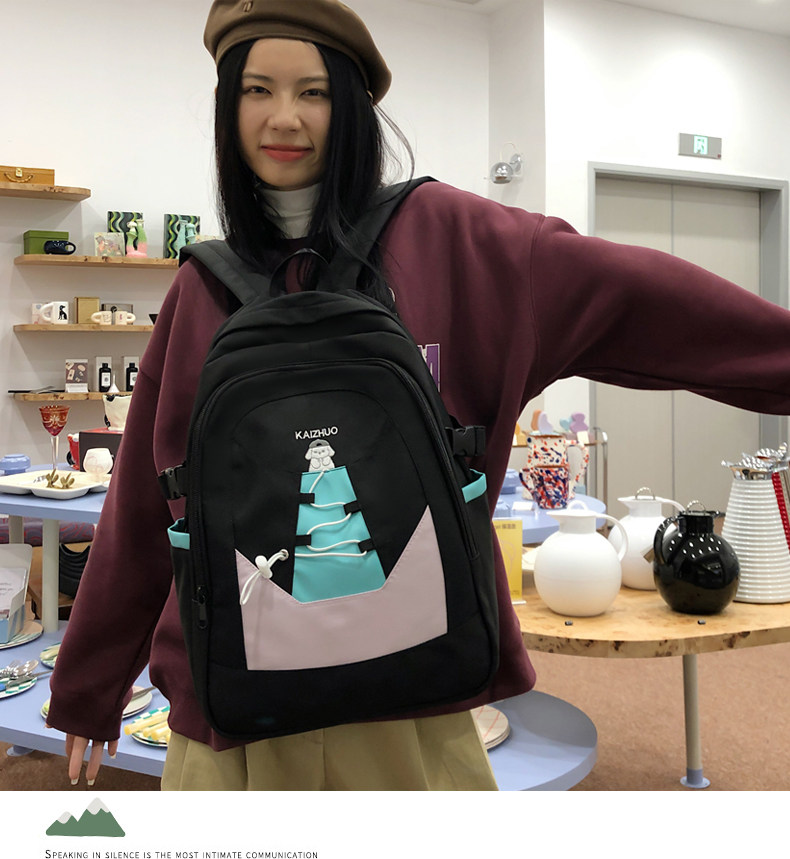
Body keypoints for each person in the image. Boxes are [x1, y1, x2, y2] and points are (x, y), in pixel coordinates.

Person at [46, 0, 790, 790]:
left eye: (314, 91)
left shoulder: (460, 243)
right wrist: (90, 685)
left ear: (353, 105)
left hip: (413, 701)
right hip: (235, 715)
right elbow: (145, 500)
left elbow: (648, 300)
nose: (284, 117)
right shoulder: (203, 286)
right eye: (257, 89)